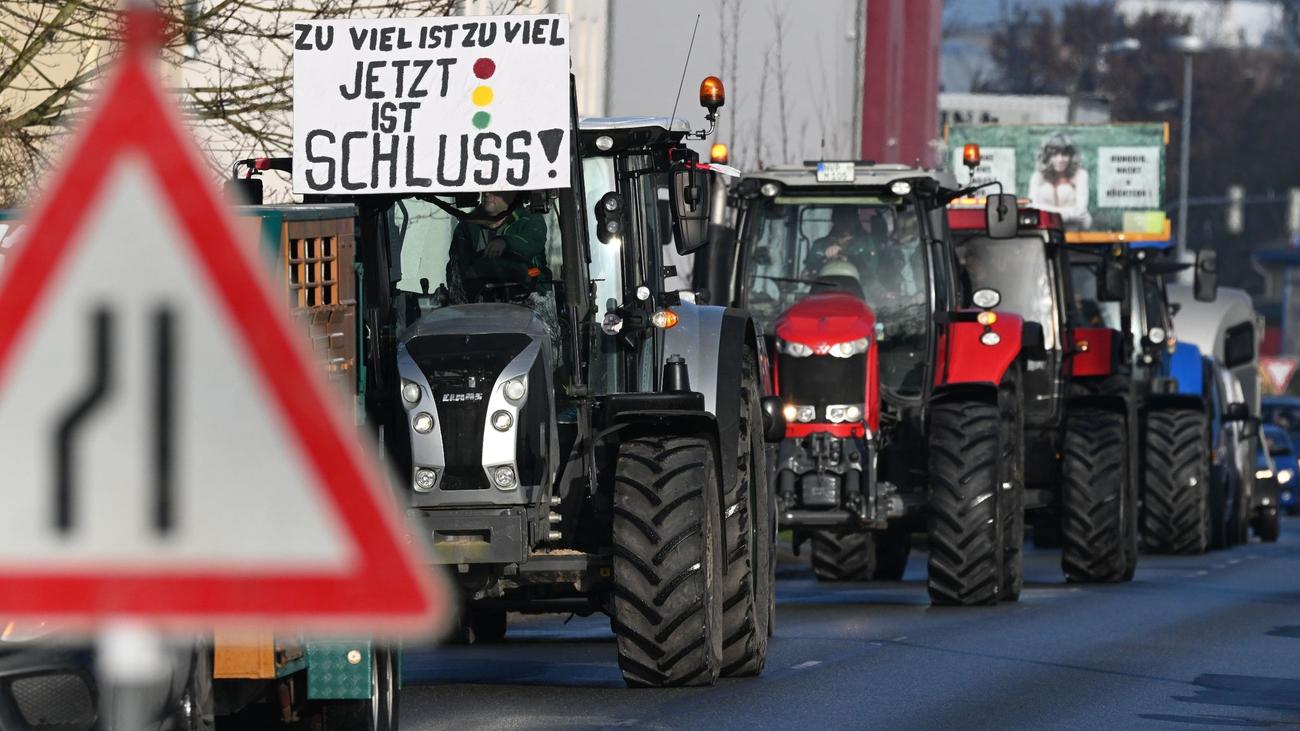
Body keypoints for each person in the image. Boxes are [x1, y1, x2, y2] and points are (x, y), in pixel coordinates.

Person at [449, 190, 547, 297]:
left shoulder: (529, 220)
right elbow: (457, 269)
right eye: (485, 188)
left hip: (529, 293)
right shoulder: (466, 227)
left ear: (513, 193)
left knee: (535, 273)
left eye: (495, 189)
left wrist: (506, 242)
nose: (486, 193)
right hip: (478, 304)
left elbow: (533, 243)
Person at [1028, 132, 1092, 229]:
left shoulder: (1080, 175)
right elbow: (1032, 209)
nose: (1060, 159)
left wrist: (1045, 214)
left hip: (1075, 233)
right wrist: (1070, 214)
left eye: (1065, 154)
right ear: (1047, 156)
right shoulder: (1037, 177)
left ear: (1071, 156)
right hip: (1046, 232)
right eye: (1055, 155)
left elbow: (1081, 212)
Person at [805, 206, 884, 275]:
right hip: (824, 289)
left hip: (861, 290)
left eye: (849, 216)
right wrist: (824, 260)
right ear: (833, 219)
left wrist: (845, 257)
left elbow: (873, 273)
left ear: (856, 218)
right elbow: (809, 272)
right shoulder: (819, 245)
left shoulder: (869, 242)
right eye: (841, 217)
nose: (845, 221)